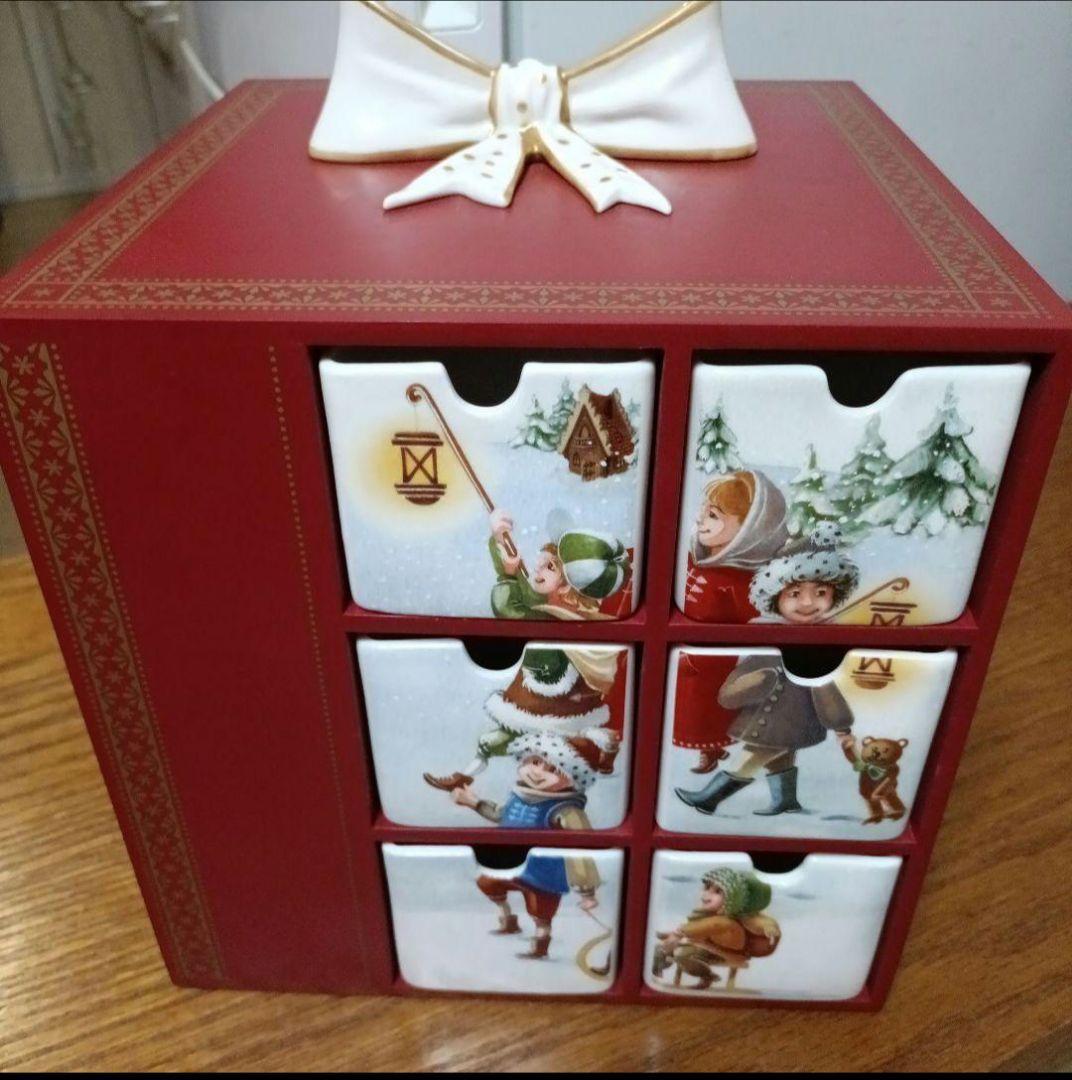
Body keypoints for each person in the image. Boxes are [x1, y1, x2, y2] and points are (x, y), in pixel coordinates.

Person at [448, 732, 606, 960]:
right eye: (534, 762)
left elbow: (581, 849)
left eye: (554, 770)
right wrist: (472, 802)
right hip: (506, 861)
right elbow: (500, 814)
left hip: (544, 872)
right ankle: (507, 917)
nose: (537, 772)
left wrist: (587, 890)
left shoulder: (567, 810)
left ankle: (541, 942)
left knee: (540, 908)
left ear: (573, 779)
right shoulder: (518, 796)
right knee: (487, 882)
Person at [675, 649, 855, 817]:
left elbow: (826, 692)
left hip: (789, 726)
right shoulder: (759, 658)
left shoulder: (808, 660)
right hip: (766, 724)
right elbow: (728, 695)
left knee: (745, 762)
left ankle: (708, 799)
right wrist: (756, 681)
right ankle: (785, 801)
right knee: (778, 761)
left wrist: (841, 726)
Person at [423, 645, 623, 792]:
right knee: (488, 742)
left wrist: (606, 753)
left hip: (567, 727)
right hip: (524, 719)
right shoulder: (530, 677)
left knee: (598, 739)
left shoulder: (579, 672)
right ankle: (462, 778)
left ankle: (600, 766)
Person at [682, 470, 788, 623]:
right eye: (703, 509)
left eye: (712, 515)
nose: (699, 518)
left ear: (748, 528)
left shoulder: (743, 588)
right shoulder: (689, 560)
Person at [652, 867, 780, 992]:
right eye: (707, 888)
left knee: (681, 952)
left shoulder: (732, 920)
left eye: (718, 892)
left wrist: (770, 929)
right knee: (675, 951)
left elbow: (763, 923)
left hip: (728, 952)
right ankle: (664, 972)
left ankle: (707, 976)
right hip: (707, 945)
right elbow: (699, 929)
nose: (707, 895)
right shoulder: (711, 913)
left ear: (734, 897)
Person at [488, 509, 630, 620]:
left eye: (550, 567)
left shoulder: (554, 618)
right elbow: (525, 588)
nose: (537, 567)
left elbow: (506, 609)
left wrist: (508, 574)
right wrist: (501, 539)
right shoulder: (546, 601)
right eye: (543, 559)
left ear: (565, 587)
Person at [748, 522, 860, 625]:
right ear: (775, 597)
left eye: (821, 593)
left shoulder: (834, 626)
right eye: (795, 593)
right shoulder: (763, 628)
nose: (807, 602)